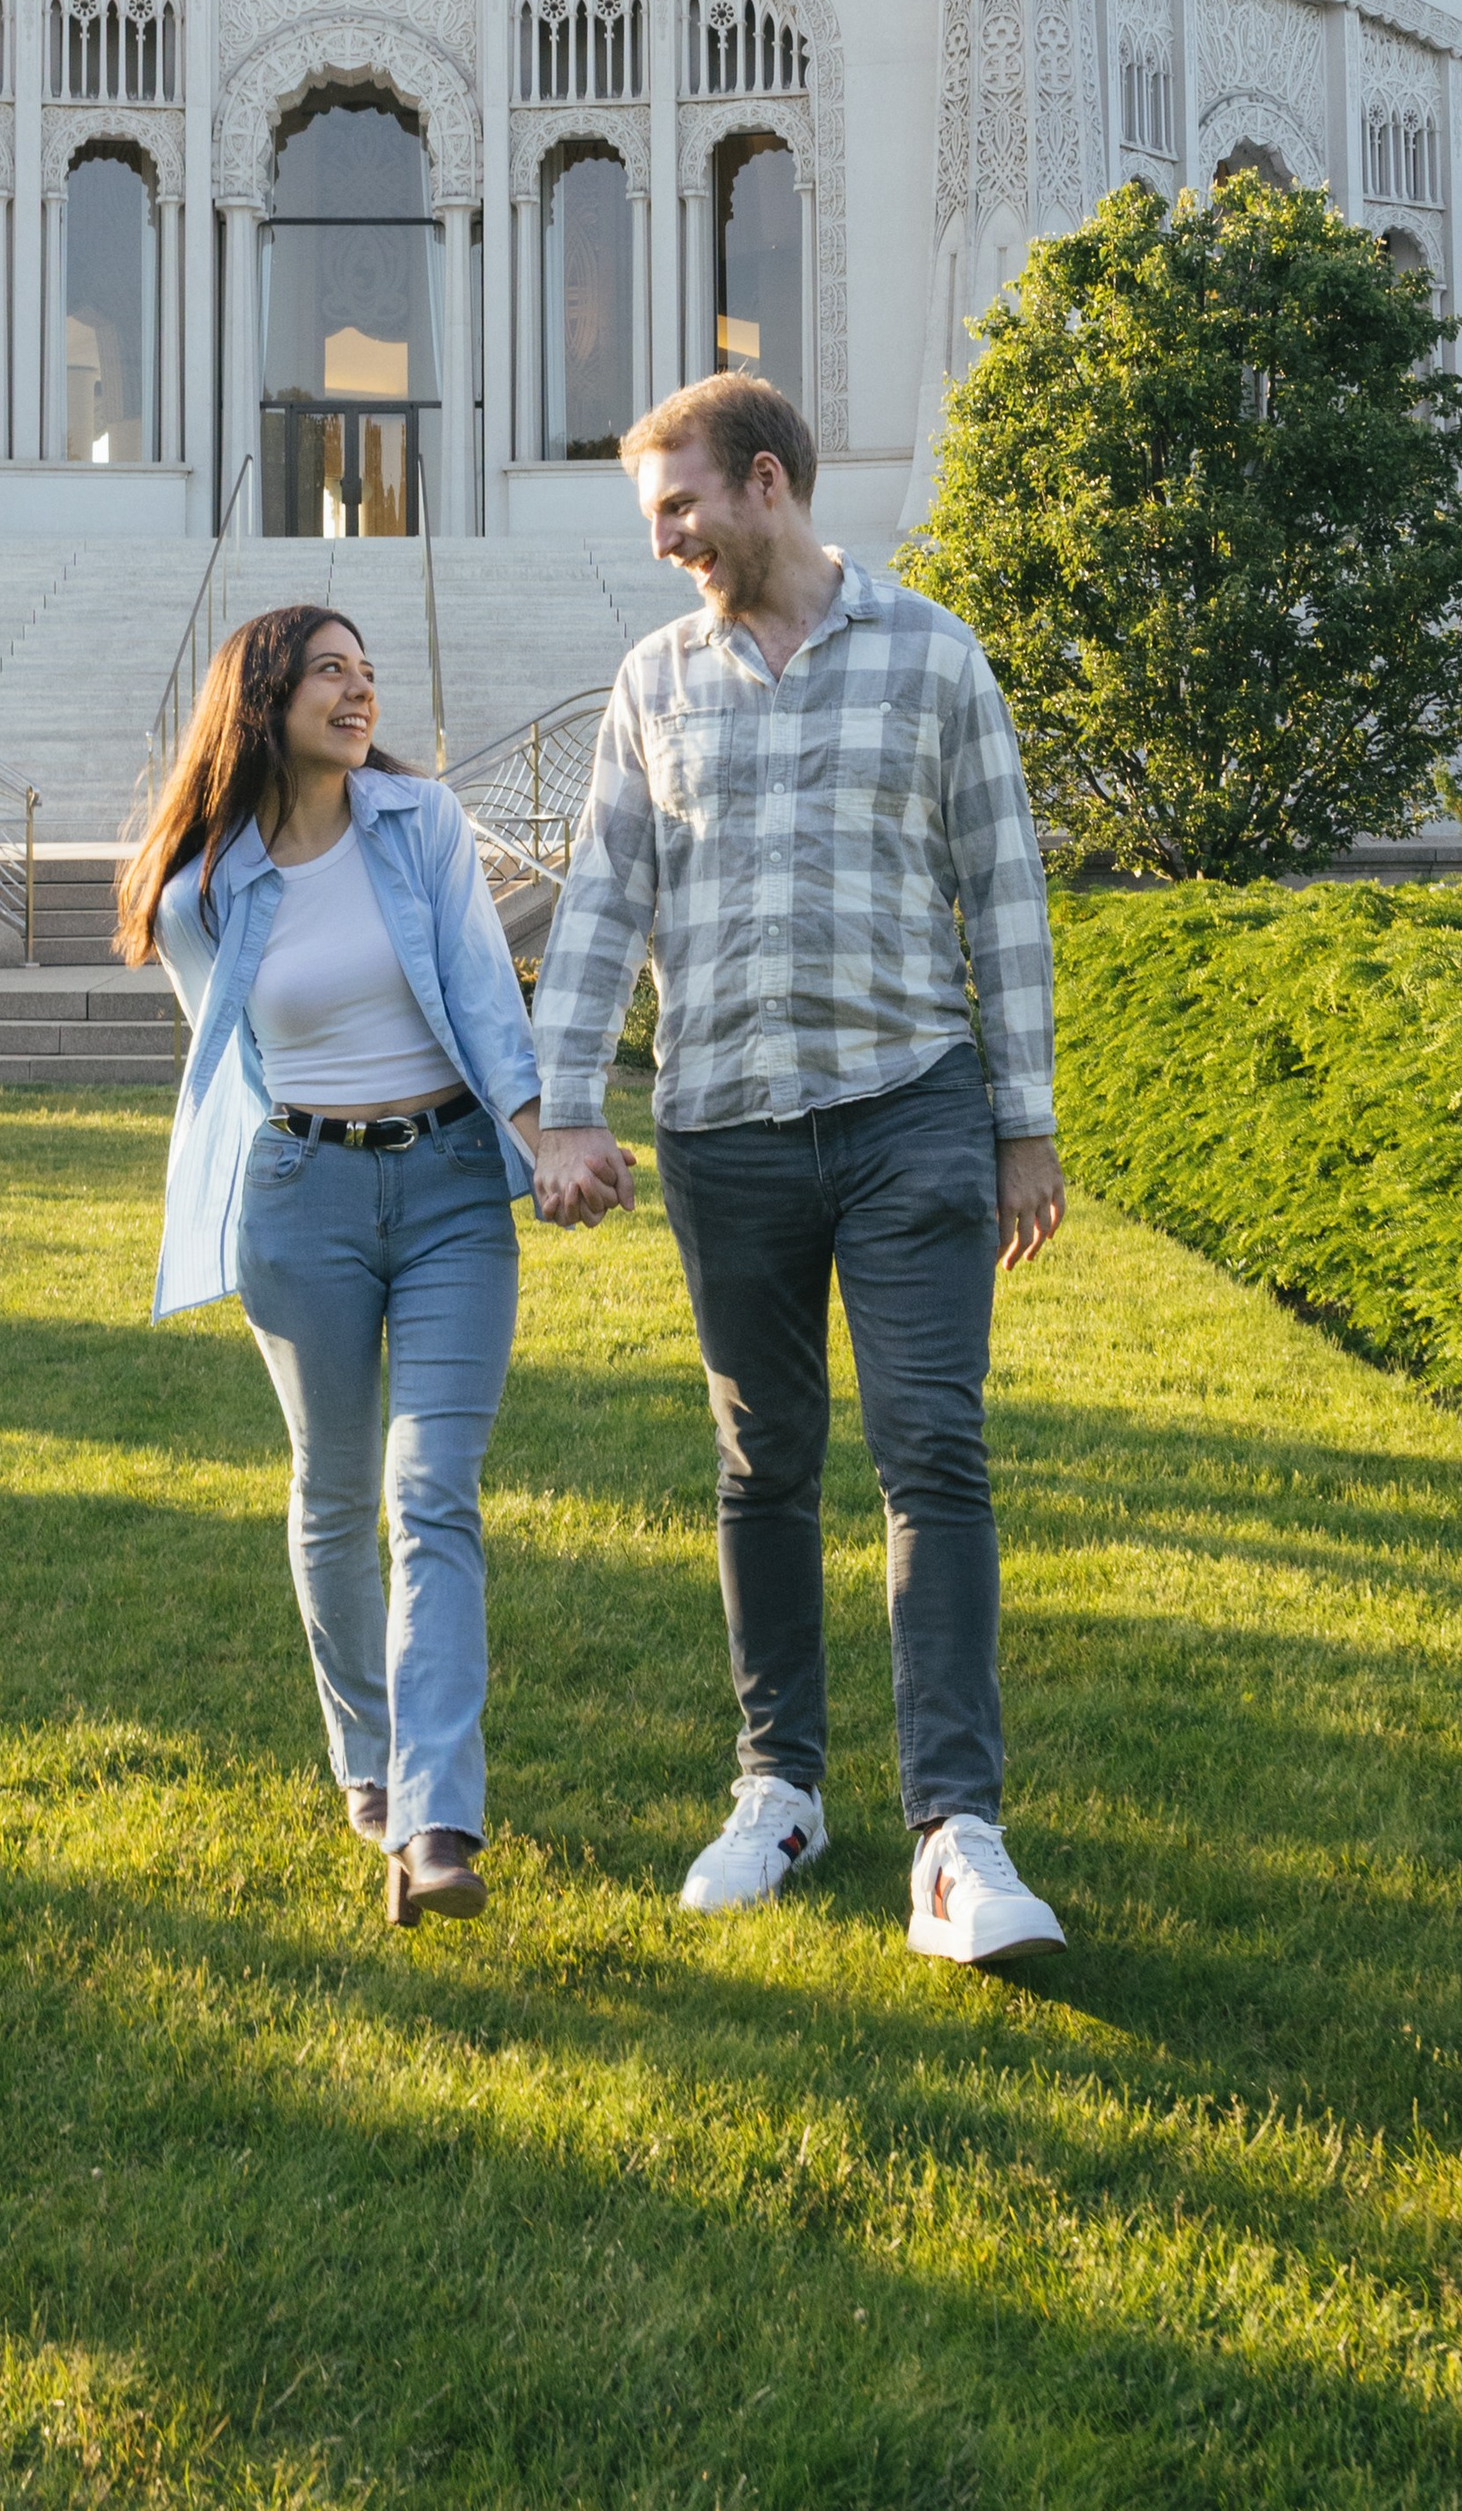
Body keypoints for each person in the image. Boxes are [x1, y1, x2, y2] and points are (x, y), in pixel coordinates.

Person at [531, 372, 1069, 1969]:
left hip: (912, 1109)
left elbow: (1007, 888)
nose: (666, 544)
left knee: (934, 1456)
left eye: (679, 509)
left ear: (765, 483)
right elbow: (602, 900)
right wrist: (567, 1107)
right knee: (762, 1467)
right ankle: (780, 1787)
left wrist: (1023, 1122)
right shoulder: (654, 679)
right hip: (726, 1131)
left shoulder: (933, 653)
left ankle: (955, 1834)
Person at [115, 603, 541, 1930]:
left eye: (368, 673)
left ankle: (438, 1820)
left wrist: (540, 1136)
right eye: (331, 674)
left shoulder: (422, 826)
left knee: (432, 1492)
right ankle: (369, 1764)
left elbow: (482, 988)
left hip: (456, 1185)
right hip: (302, 1197)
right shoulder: (200, 890)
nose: (361, 693)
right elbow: (231, 1059)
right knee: (334, 1486)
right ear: (265, 697)